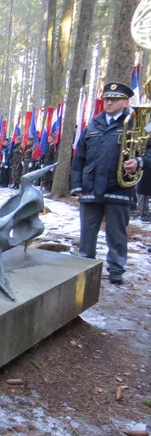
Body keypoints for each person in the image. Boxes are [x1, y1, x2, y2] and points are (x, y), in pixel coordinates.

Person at [70, 81, 151, 284]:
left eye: (114, 99)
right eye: (107, 99)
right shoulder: (92, 125)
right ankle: (85, 266)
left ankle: (116, 270)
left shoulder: (137, 125)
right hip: (90, 188)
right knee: (87, 232)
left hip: (119, 188)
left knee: (116, 233)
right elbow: (79, 158)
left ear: (126, 102)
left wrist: (139, 162)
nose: (109, 103)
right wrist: (77, 185)